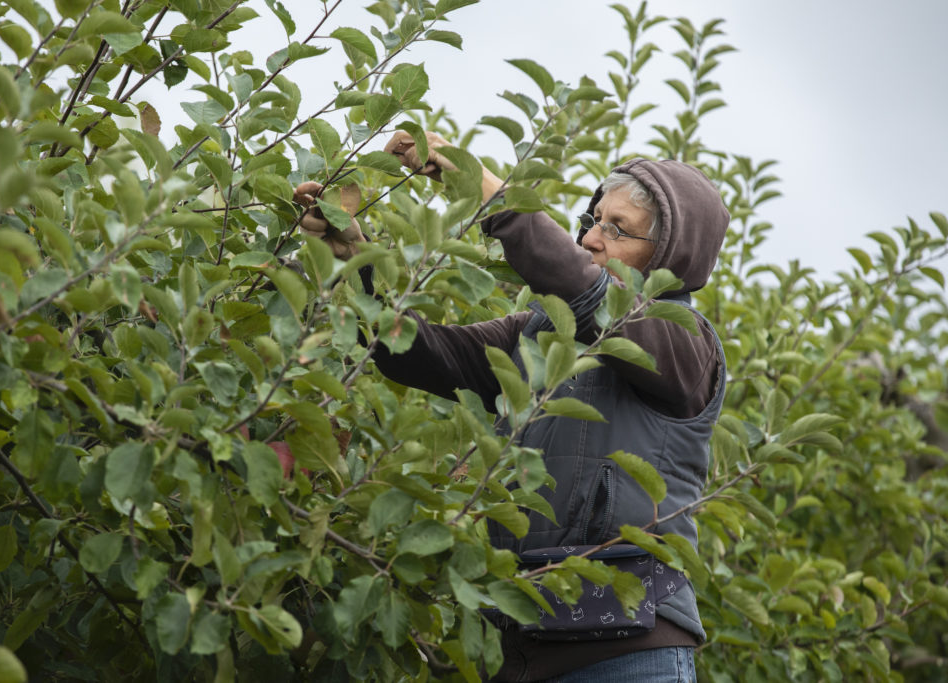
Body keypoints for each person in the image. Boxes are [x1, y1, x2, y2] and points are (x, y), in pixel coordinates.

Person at [294, 132, 729, 682]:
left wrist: (493, 195)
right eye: (594, 219)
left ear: (671, 255)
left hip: (630, 653)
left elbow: (585, 288)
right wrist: (357, 257)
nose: (594, 238)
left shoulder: (683, 342)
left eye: (619, 229)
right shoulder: (540, 334)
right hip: (520, 649)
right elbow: (417, 353)